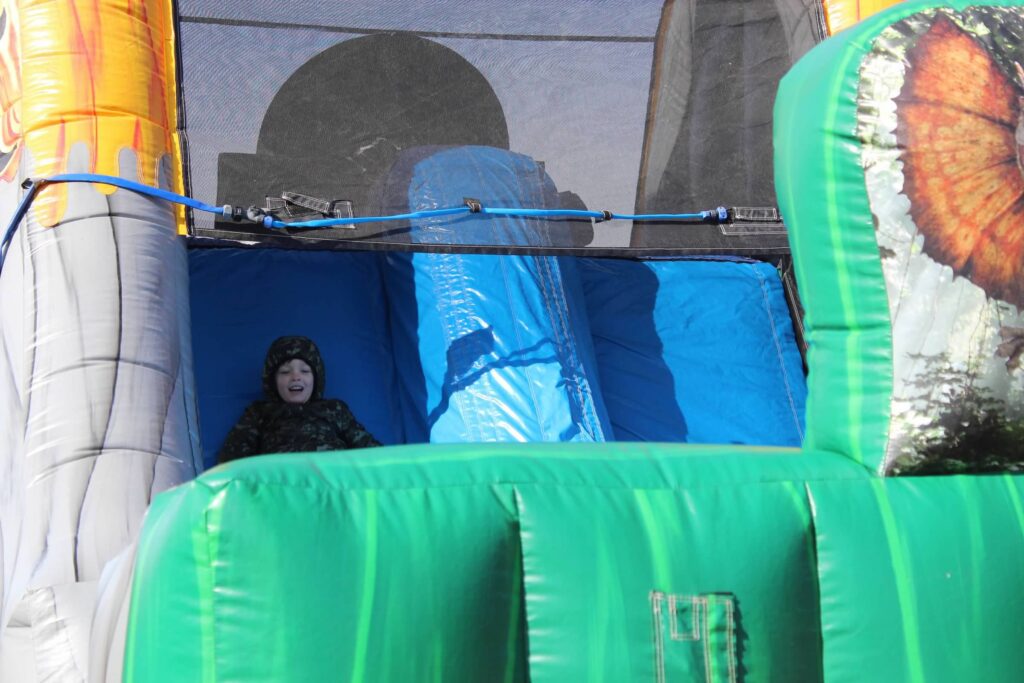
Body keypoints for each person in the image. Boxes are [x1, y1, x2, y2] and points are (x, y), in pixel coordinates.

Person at [218, 336, 380, 463]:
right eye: (285, 372)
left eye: (305, 371)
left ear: (316, 379)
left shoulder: (334, 409)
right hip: (282, 484)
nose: (295, 377)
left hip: (332, 481)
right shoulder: (259, 412)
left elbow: (368, 448)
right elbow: (233, 456)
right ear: (272, 381)